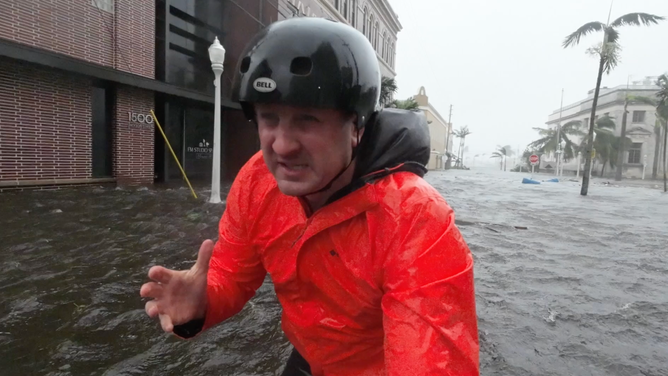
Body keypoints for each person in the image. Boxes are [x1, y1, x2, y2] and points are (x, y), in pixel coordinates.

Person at [140, 17, 479, 376]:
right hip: (310, 358)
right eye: (269, 119)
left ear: (355, 128)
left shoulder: (416, 219)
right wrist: (202, 301)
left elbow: (429, 363)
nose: (282, 146)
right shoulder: (258, 180)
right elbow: (233, 273)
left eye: (307, 120)